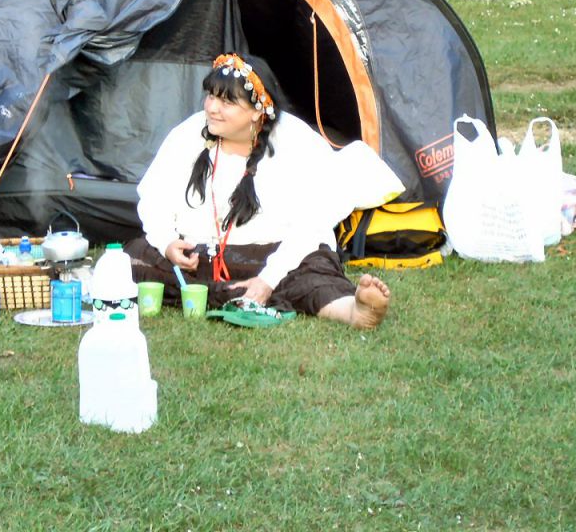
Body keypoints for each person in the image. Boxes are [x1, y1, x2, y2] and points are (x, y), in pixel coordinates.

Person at [125, 52, 405, 329]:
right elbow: (154, 197)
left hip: (273, 256)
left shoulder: (295, 140)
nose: (212, 108)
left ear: (257, 110)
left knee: (311, 270)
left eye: (226, 102)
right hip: (200, 256)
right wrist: (167, 243)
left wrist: (268, 280)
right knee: (136, 256)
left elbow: (312, 223)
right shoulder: (189, 133)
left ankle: (352, 310)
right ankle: (232, 292)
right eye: (211, 96)